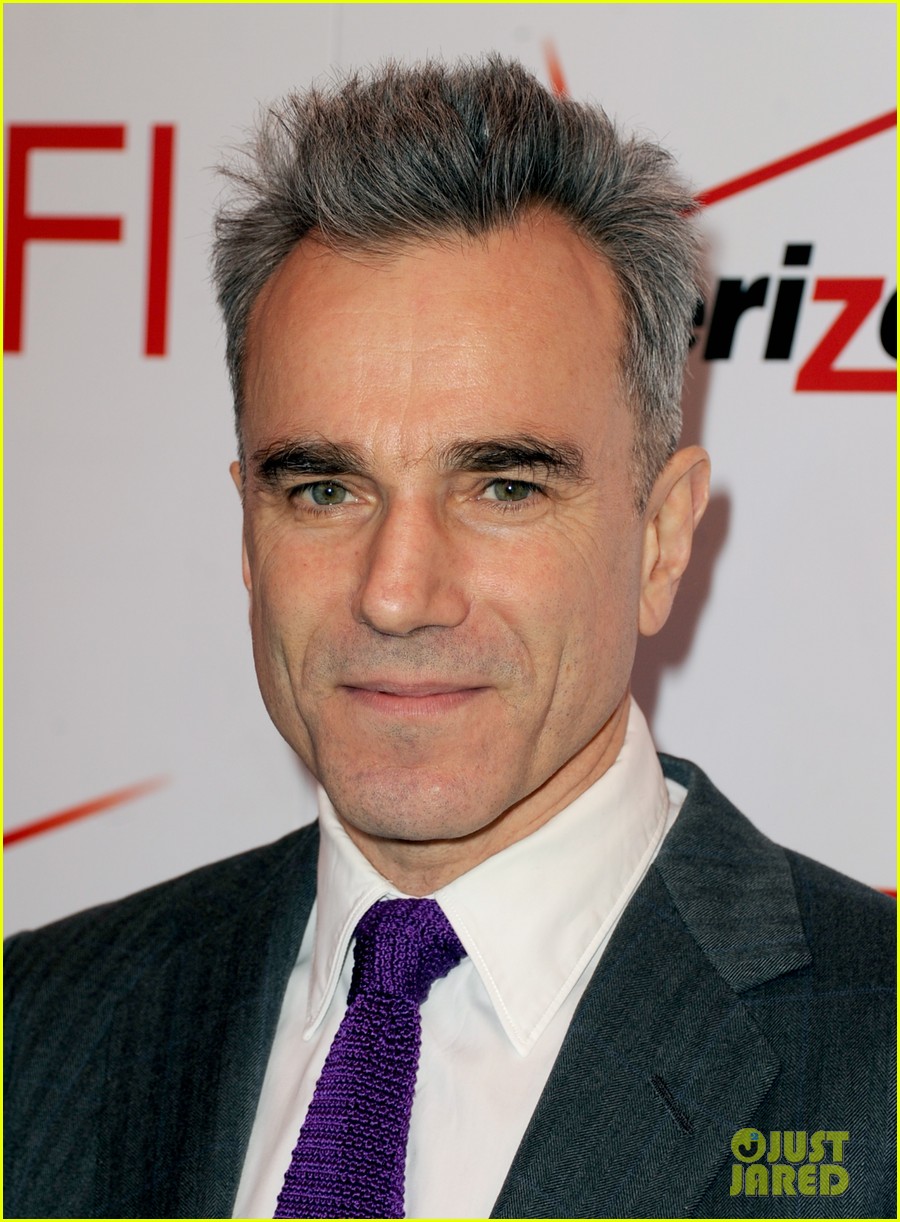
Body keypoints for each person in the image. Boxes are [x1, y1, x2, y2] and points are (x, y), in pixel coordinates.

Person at [4, 57, 894, 1221]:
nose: (395, 593)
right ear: (248, 530)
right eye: (324, 489)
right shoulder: (35, 1023)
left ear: (663, 539)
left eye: (504, 487)